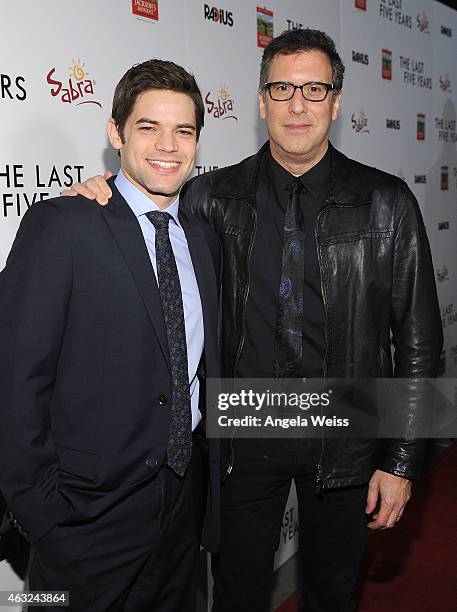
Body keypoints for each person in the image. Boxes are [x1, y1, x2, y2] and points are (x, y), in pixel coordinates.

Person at [66, 29, 443, 612]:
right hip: (242, 427)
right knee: (237, 594)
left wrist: (400, 461)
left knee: (332, 593)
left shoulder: (388, 203)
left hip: (347, 424)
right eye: (282, 88)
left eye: (314, 89)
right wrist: (103, 193)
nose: (298, 104)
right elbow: (144, 215)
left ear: (337, 103)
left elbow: (419, 341)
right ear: (261, 100)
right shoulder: (208, 197)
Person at [0, 59, 221, 612]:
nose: (167, 145)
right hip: (81, 518)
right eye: (148, 127)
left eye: (184, 130)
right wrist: (43, 515)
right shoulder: (65, 224)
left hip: (180, 507)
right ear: (115, 132)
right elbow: (15, 378)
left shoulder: (203, 239)